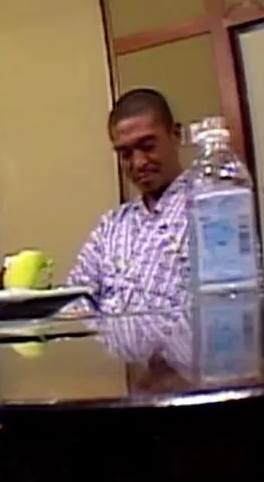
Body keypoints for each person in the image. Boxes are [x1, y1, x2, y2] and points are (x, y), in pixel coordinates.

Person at [66, 88, 192, 314]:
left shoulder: (210, 211)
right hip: (105, 337)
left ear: (175, 135)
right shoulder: (111, 226)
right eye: (125, 154)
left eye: (148, 146)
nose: (139, 163)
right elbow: (75, 297)